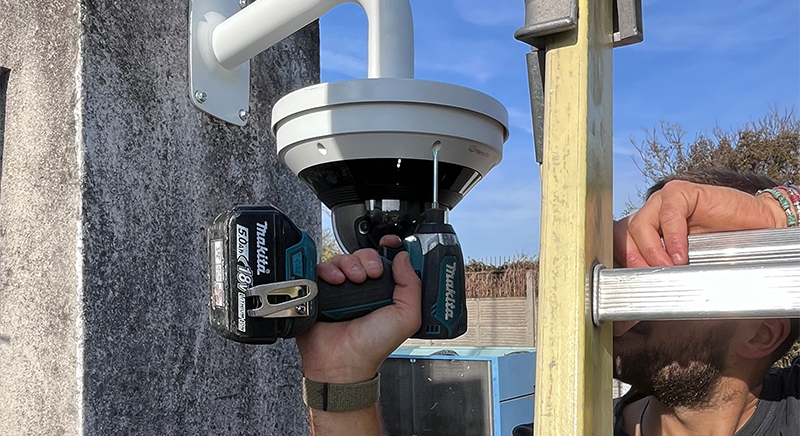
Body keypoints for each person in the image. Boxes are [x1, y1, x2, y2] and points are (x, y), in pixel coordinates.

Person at [296, 170, 800, 436]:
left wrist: (774, 216)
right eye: (638, 253)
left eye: (674, 262)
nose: (633, 276)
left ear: (761, 332)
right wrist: (341, 379)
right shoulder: (565, 427)